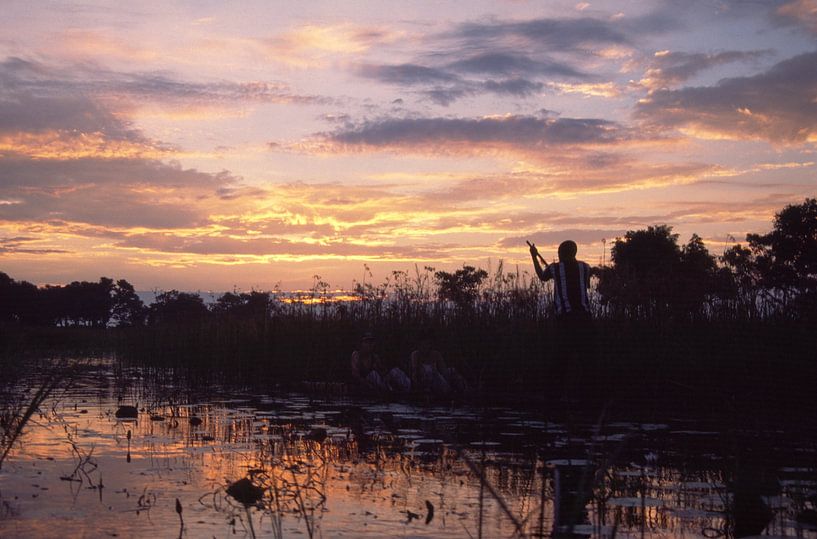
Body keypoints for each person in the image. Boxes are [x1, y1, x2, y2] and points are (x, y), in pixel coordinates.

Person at [529, 239, 594, 320]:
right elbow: (587, 285)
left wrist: (534, 257)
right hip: (585, 316)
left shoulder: (555, 268)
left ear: (562, 253)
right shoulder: (585, 267)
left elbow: (542, 276)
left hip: (565, 317)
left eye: (559, 252)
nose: (558, 255)